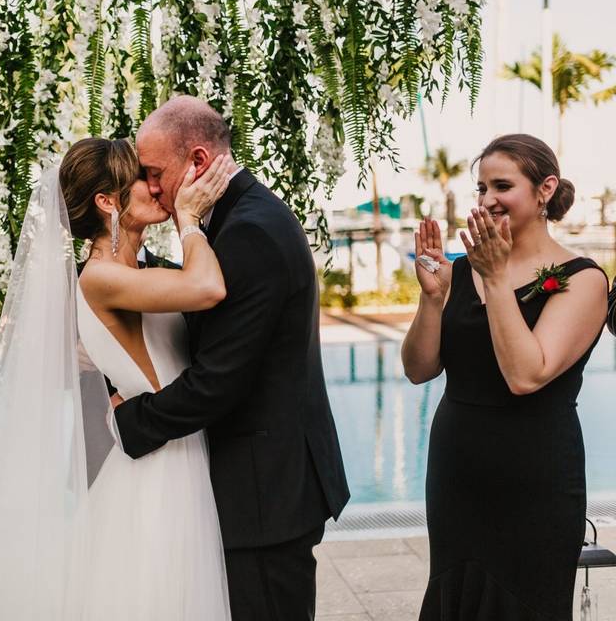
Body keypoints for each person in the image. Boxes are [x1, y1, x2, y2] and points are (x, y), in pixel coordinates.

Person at [0, 137, 236, 620]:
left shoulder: (138, 274)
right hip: (153, 472)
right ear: (108, 202)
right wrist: (188, 220)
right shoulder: (99, 278)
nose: (156, 186)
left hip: (174, 455)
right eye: (141, 180)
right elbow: (208, 287)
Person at [112, 95, 351, 620]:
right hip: (260, 486)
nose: (150, 187)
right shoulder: (239, 216)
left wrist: (124, 424)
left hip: (264, 493)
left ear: (197, 162)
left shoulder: (249, 232)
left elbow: (218, 381)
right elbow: (196, 305)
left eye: (154, 173)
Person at [402, 133, 609, 619]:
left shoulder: (581, 279)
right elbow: (418, 369)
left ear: (544, 190)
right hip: (458, 471)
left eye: (502, 185)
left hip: (534, 477)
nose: (487, 200)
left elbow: (526, 374)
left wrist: (494, 279)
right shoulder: (461, 272)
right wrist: (432, 299)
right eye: (480, 188)